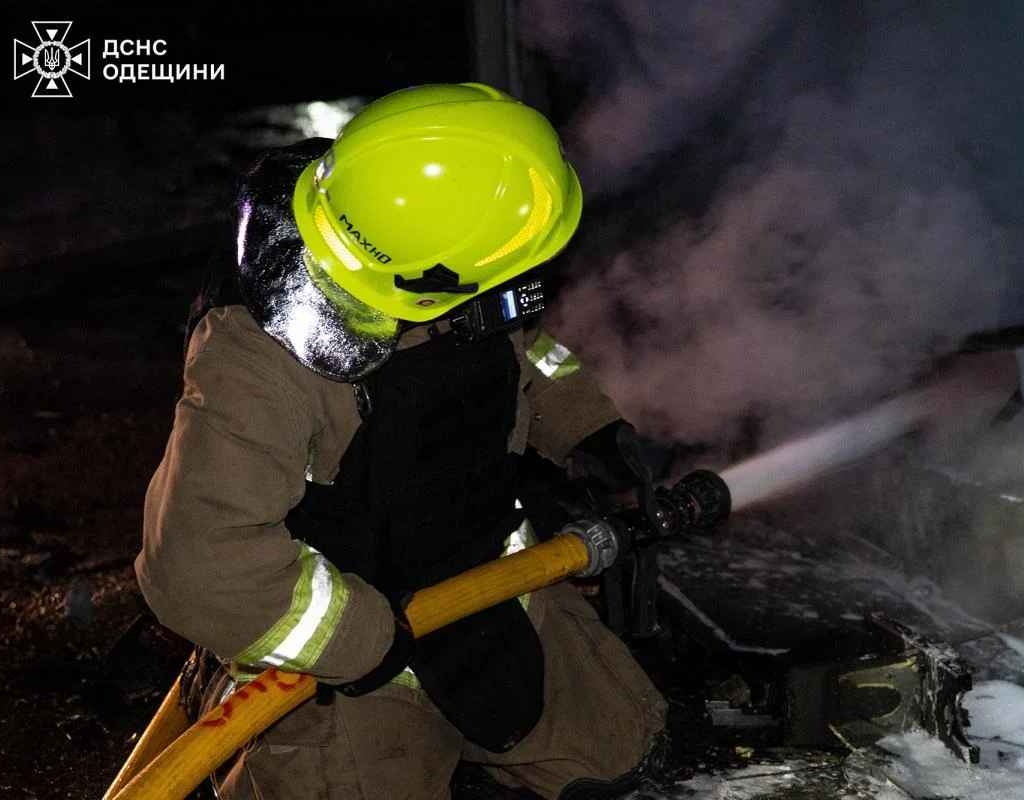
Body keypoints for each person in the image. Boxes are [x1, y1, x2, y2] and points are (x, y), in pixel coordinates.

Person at [136, 82, 667, 800]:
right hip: (341, 665)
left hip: (484, 590)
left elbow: (524, 352)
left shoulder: (426, 255)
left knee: (625, 749)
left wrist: (586, 428)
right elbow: (200, 564)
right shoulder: (256, 360)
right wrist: (362, 640)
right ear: (430, 272)